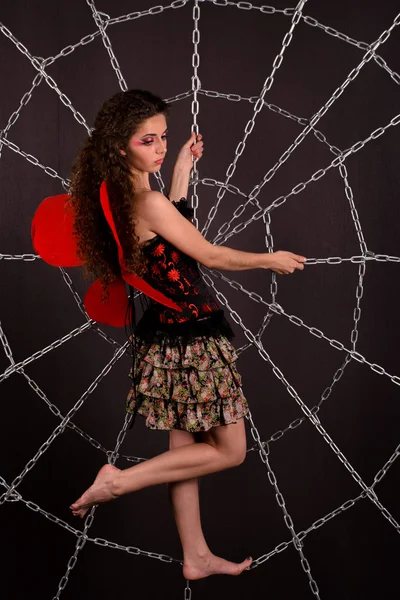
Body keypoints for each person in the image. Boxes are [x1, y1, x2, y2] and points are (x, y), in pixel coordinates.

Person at [68, 89, 307, 580]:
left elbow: (169, 236)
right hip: (194, 340)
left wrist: (180, 167)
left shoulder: (129, 201)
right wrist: (270, 259)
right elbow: (209, 255)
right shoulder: (148, 203)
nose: (158, 147)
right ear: (119, 148)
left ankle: (195, 555)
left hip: (165, 339)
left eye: (164, 138)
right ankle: (117, 482)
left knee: (186, 454)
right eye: (147, 141)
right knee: (230, 451)